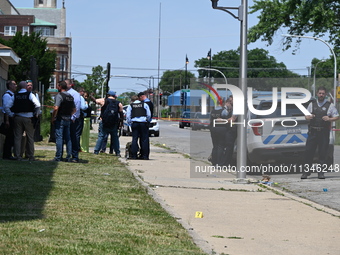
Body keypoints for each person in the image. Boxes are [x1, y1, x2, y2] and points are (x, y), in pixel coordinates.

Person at [301, 87, 339, 179]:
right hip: (313, 132)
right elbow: (306, 116)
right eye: (320, 93)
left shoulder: (330, 105)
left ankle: (321, 173)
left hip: (323, 132)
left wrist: (329, 119)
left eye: (323, 93)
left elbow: (337, 116)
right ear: (317, 94)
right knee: (309, 152)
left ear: (325, 95)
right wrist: (309, 116)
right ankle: (306, 172)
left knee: (322, 153)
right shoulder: (312, 104)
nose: (321, 95)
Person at [9, 80, 41, 161]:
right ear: (26, 87)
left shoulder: (15, 96)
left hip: (17, 117)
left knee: (18, 137)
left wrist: (11, 114)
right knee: (30, 137)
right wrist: (36, 114)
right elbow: (38, 105)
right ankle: (30, 155)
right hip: (28, 118)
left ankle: (17, 155)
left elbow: (6, 106)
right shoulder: (29, 95)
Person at [51, 81, 76, 162]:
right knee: (68, 138)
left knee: (59, 138)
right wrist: (69, 115)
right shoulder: (70, 97)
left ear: (60, 87)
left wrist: (53, 117)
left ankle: (58, 156)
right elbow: (74, 109)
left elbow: (56, 108)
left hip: (60, 119)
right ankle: (68, 156)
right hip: (68, 119)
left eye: (57, 86)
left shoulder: (59, 96)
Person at [93, 91, 123, 156]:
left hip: (104, 122)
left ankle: (96, 151)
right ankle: (117, 152)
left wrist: (91, 96)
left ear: (108, 95)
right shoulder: (118, 103)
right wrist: (121, 123)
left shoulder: (104, 101)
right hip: (114, 123)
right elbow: (121, 113)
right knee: (115, 138)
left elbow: (95, 101)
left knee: (101, 136)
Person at [126, 94, 151, 160]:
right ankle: (145, 156)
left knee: (135, 139)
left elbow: (128, 116)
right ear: (138, 99)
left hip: (135, 123)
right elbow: (148, 114)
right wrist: (147, 120)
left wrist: (130, 123)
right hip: (143, 123)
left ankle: (134, 155)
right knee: (144, 139)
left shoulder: (131, 106)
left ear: (132, 100)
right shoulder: (144, 105)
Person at [65, 79, 81, 163]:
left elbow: (77, 106)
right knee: (66, 138)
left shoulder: (75, 94)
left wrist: (73, 117)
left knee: (73, 137)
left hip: (72, 119)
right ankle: (68, 155)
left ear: (70, 85)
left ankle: (75, 156)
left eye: (66, 83)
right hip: (65, 118)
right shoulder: (64, 93)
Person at [2, 80, 17, 160]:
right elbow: (6, 109)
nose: (16, 86)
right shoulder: (7, 96)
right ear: (10, 86)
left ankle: (9, 154)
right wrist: (7, 120)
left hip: (12, 117)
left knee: (11, 137)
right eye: (14, 84)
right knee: (9, 137)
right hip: (9, 118)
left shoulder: (13, 95)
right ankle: (6, 155)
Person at [77, 87, 88, 152]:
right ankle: (78, 147)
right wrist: (86, 104)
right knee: (78, 133)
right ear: (81, 92)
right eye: (83, 91)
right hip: (80, 116)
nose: (83, 93)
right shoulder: (81, 98)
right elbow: (83, 107)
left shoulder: (74, 96)